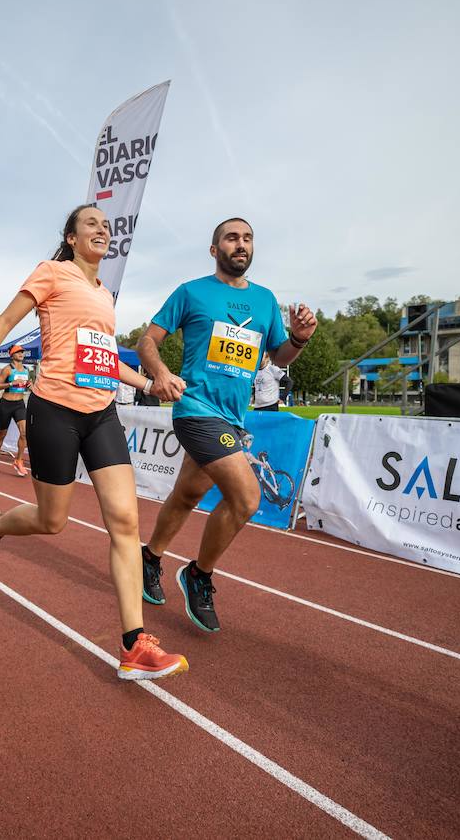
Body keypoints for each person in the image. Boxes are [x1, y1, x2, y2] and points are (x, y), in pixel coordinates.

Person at [0, 204, 188, 682]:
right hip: (55, 409)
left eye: (107, 226)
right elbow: (4, 321)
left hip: (101, 413)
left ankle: (134, 645)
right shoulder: (53, 273)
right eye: (92, 224)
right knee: (52, 520)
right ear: (70, 237)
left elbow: (104, 359)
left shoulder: (105, 294)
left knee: (125, 521)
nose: (102, 230)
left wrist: (150, 386)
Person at [137, 217, 317, 632]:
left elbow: (280, 356)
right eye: (232, 238)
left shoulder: (265, 299)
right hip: (196, 409)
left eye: (248, 238)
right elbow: (148, 341)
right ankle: (199, 574)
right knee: (246, 498)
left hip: (234, 416)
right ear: (214, 249)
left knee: (186, 495)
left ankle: (149, 558)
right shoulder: (191, 292)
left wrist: (300, 338)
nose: (241, 244)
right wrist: (160, 374)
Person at [0, 344, 31, 476]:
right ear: (12, 355)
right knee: (2, 434)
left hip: (19, 404)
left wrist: (29, 385)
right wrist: (12, 383)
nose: (21, 354)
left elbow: (27, 385)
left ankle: (18, 460)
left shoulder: (26, 370)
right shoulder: (7, 370)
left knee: (24, 433)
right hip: (6, 404)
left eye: (22, 352)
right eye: (18, 352)